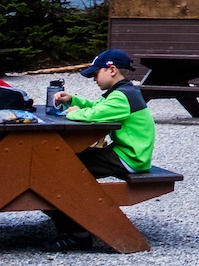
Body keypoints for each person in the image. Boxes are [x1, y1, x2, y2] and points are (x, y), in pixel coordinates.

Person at [46, 49, 157, 249]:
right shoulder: (123, 92)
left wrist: (73, 113)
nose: (94, 78)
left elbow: (93, 114)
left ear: (111, 69)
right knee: (65, 163)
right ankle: (71, 219)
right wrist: (73, 100)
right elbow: (97, 106)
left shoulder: (122, 97)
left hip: (129, 158)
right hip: (127, 153)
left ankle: (77, 234)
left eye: (96, 73)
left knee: (59, 169)